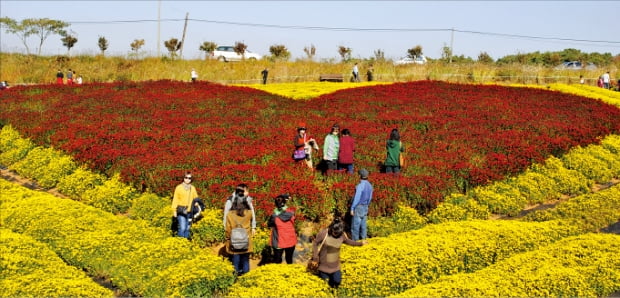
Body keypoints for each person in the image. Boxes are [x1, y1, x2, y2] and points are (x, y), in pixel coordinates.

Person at [311, 216, 365, 288]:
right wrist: (315, 258)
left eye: (338, 233)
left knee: (337, 281)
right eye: (334, 232)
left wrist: (360, 243)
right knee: (326, 285)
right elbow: (315, 243)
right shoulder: (324, 233)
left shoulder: (341, 235)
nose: (336, 234)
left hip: (335, 266)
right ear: (332, 228)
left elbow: (348, 241)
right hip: (323, 266)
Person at [225, 189, 254, 276]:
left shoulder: (230, 214)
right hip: (246, 241)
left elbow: (228, 230)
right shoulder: (249, 213)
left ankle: (236, 280)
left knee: (235, 262)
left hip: (234, 242)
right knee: (245, 261)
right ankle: (246, 279)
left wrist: (228, 239)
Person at [268, 194, 297, 264]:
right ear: (285, 203)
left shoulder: (274, 216)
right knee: (289, 260)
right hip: (290, 240)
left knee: (277, 261)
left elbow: (269, 224)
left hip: (279, 241)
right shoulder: (291, 213)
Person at [171, 172, 199, 239]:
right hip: (181, 211)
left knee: (187, 229)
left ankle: (185, 243)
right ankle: (180, 242)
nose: (187, 179)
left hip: (190, 212)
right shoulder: (179, 188)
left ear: (191, 179)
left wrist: (196, 202)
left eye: (189, 178)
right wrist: (174, 210)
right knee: (182, 228)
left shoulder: (192, 188)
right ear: (183, 178)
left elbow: (196, 197)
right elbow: (175, 199)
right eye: (186, 177)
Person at [350, 169, 373, 241]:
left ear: (359, 176)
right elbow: (370, 198)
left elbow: (356, 198)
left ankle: (355, 241)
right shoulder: (370, 185)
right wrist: (367, 205)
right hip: (365, 206)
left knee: (355, 226)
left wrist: (352, 208)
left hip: (359, 206)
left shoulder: (360, 186)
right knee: (363, 225)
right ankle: (364, 239)